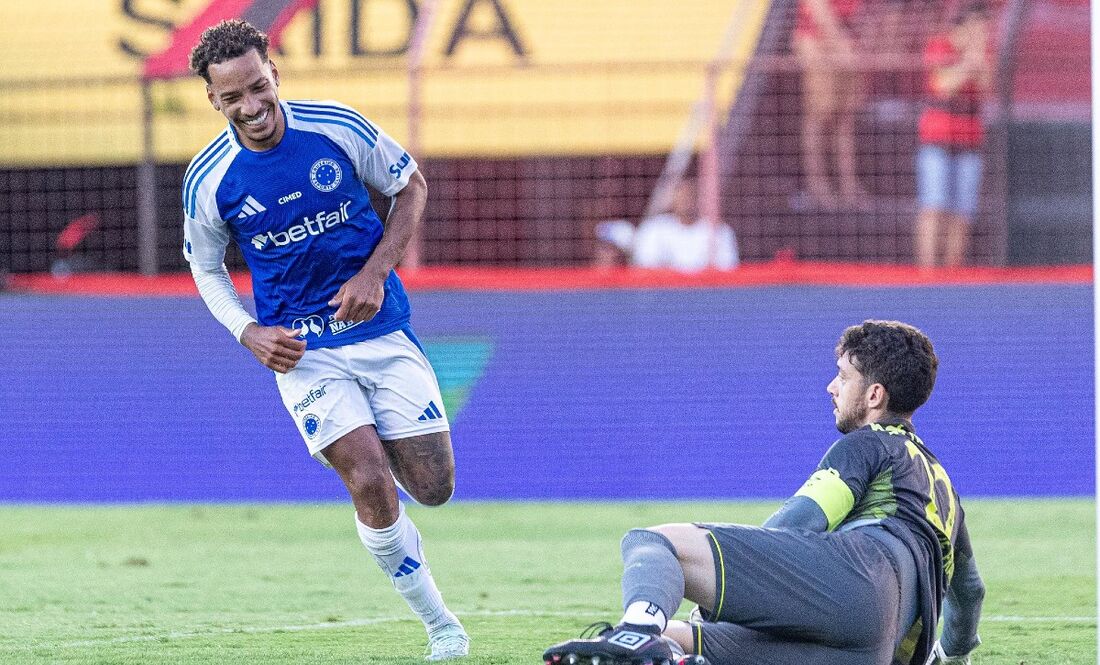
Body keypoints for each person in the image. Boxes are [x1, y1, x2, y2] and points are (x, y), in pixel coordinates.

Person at [182, 20, 468, 660]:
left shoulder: (336, 127)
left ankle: (379, 462)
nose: (251, 107)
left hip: (380, 329)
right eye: (233, 97)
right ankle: (442, 626)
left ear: (274, 74)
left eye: (258, 87)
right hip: (303, 353)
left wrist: (376, 272)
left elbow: (410, 185)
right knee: (368, 479)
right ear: (213, 99)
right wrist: (248, 331)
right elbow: (206, 268)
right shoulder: (209, 180)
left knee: (434, 486)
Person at [544, 320, 985, 665]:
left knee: (656, 542)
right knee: (680, 636)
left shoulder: (870, 445)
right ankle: (657, 648)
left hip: (860, 583)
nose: (832, 387)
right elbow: (970, 593)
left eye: (842, 376)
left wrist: (733, 596)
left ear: (874, 395)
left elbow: (798, 521)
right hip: (876, 652)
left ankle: (634, 633)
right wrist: (951, 655)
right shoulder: (945, 490)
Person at [914, 1, 992, 267]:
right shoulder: (940, 45)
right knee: (933, 207)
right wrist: (966, 64)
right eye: (979, 27)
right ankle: (927, 273)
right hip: (937, 140)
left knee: (962, 212)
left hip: (969, 141)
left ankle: (953, 272)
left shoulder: (983, 53)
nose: (982, 34)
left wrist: (976, 59)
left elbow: (986, 85)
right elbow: (942, 85)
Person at [792, 0, 870, 209]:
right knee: (820, 115)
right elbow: (818, 9)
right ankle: (818, 187)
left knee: (845, 119)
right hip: (817, 39)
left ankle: (849, 187)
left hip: (848, 40)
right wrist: (841, 47)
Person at [593, 181, 738, 272]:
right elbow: (646, 267)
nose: (686, 201)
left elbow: (728, 269)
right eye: (681, 196)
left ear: (699, 199)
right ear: (673, 200)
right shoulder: (656, 228)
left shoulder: (718, 231)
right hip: (663, 297)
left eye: (690, 196)